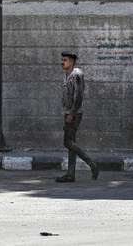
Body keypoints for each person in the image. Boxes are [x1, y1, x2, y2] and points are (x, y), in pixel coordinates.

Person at [56, 52, 99, 182]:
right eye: (62, 60)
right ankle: (70, 174)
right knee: (71, 144)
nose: (62, 62)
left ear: (72, 62)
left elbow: (78, 96)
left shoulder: (77, 75)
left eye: (65, 60)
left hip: (74, 113)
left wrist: (72, 113)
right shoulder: (67, 75)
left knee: (67, 142)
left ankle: (92, 164)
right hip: (68, 112)